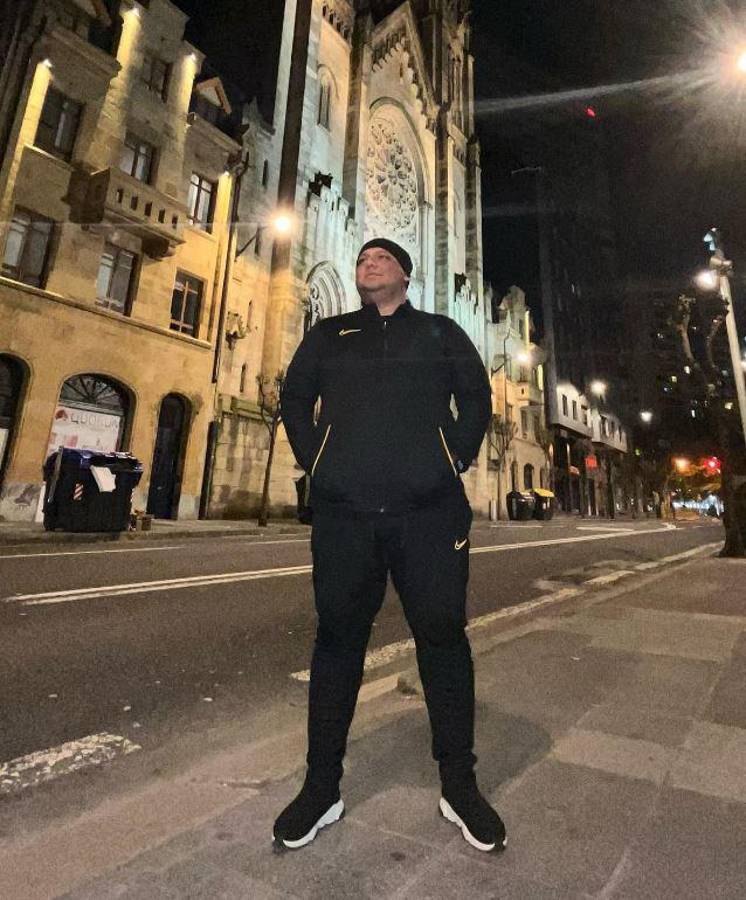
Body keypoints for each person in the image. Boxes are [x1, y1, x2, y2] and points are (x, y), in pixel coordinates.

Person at [275, 238, 505, 853]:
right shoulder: (329, 334)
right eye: (362, 259)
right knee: (337, 642)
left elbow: (476, 397)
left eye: (382, 257)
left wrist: (453, 457)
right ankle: (321, 787)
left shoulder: (440, 331)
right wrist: (316, 462)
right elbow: (294, 398)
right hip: (344, 515)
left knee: (443, 639)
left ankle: (459, 785)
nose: (368, 262)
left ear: (406, 273)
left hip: (429, 514)